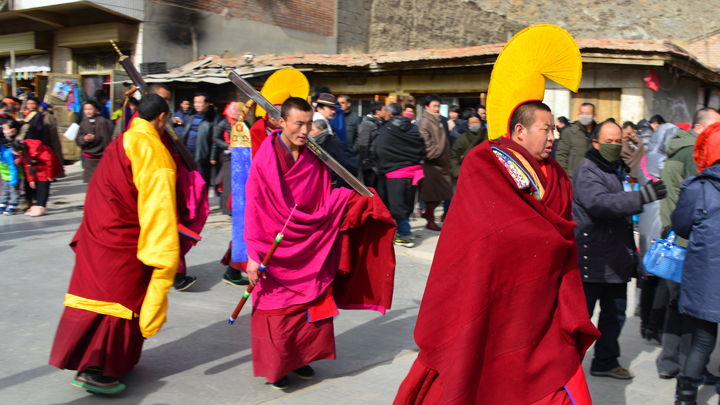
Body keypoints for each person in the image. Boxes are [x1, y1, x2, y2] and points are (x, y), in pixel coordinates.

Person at [395, 25, 602, 404]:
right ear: (519, 131)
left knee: (548, 370)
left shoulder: (554, 173)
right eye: (546, 130)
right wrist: (540, 239)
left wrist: (549, 244)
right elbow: (486, 233)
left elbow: (560, 230)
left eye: (555, 130)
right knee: (475, 363)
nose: (553, 137)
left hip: (541, 297)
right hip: (489, 285)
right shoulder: (486, 163)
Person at [244, 97, 396, 390]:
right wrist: (252, 254)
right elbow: (253, 205)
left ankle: (301, 359)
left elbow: (324, 196)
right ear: (281, 122)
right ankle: (277, 368)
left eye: (308, 123)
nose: (304, 130)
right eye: (298, 124)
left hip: (310, 242)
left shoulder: (314, 155)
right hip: (273, 245)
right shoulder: (266, 157)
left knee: (308, 310)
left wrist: (350, 201)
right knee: (277, 310)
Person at [48, 94, 179, 395]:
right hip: (124, 240)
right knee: (119, 302)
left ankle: (98, 362)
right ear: (162, 118)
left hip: (99, 230)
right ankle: (97, 369)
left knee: (94, 298)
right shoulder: (152, 151)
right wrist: (163, 257)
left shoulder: (124, 139)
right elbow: (158, 212)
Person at [573, 120, 666, 380]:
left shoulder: (617, 168)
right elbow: (599, 203)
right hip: (592, 259)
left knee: (614, 316)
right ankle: (563, 364)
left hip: (617, 259)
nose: (615, 146)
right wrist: (640, 197)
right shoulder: (588, 170)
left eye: (618, 141)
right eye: (609, 141)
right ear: (595, 143)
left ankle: (605, 361)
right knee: (580, 319)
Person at [657, 107, 720, 381]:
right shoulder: (696, 166)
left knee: (695, 329)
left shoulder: (694, 178)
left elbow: (678, 217)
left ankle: (677, 380)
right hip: (701, 259)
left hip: (695, 259)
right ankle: (689, 373)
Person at [670, 122, 720, 404]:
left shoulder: (698, 187)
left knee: (703, 340)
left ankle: (686, 396)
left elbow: (680, 226)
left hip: (707, 276)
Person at [374, 102, 425, 247]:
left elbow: (380, 148)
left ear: (389, 114)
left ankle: (405, 235)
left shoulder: (388, 128)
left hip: (395, 173)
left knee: (397, 206)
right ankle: (401, 232)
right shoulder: (413, 127)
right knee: (407, 203)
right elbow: (421, 145)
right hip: (414, 172)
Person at [417, 94, 452, 231]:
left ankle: (427, 214)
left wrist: (445, 154)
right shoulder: (424, 122)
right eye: (434, 106)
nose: (437, 109)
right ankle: (430, 220)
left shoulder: (441, 120)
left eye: (438, 106)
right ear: (427, 107)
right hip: (431, 165)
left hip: (443, 163)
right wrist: (440, 151)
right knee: (431, 196)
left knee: (446, 193)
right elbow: (427, 147)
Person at [180, 92, 219, 188]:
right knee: (188, 182)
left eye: (199, 102)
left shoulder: (213, 119)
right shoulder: (191, 117)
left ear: (207, 104)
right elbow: (184, 134)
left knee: (201, 183)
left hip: (202, 155)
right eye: (195, 102)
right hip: (188, 153)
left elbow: (215, 138)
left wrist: (213, 156)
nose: (197, 105)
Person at [309, 119, 358, 189]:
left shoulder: (333, 143)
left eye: (312, 130)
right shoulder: (313, 144)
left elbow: (348, 162)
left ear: (322, 130)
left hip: (333, 184)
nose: (310, 133)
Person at [555, 102, 597, 178]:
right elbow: (561, 155)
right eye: (581, 113)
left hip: (593, 177)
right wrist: (564, 176)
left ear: (594, 116)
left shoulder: (598, 133)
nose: (584, 116)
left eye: (587, 113)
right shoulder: (569, 132)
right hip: (573, 177)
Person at [76, 100, 113, 183]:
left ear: (97, 110)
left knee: (102, 181)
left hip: (101, 157)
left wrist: (95, 138)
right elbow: (78, 139)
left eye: (90, 109)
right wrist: (84, 138)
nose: (87, 111)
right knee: (90, 182)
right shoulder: (83, 123)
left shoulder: (102, 121)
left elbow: (107, 139)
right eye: (85, 109)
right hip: (89, 158)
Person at [357, 101, 386, 191]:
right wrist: (367, 163)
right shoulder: (367, 124)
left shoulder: (379, 123)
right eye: (384, 110)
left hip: (376, 163)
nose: (386, 112)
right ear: (378, 111)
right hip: (369, 165)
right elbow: (363, 144)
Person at [449, 113, 487, 180]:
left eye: (476, 122)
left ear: (481, 122)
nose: (474, 125)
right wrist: (459, 173)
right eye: (471, 123)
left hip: (485, 173)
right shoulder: (462, 139)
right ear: (468, 124)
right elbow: (454, 157)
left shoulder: (488, 137)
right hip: (466, 174)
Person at [0, 119, 23, 215]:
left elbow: (13, 167)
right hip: (5, 174)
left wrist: (13, 180)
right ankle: (3, 203)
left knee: (13, 189)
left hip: (13, 174)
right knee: (5, 189)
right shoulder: (2, 150)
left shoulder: (8, 153)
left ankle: (13, 204)